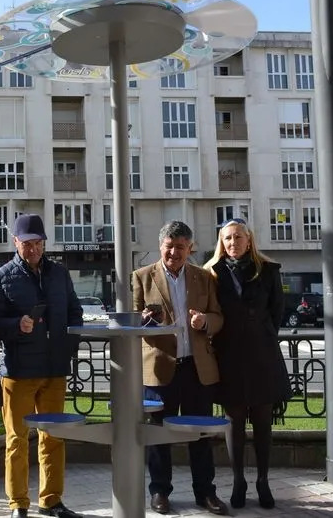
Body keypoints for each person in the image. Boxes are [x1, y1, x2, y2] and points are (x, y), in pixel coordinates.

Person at [0, 214, 84, 518]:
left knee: (54, 437)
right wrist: (16, 325)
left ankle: (51, 501)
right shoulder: (0, 277)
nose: (34, 249)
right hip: (19, 372)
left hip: (54, 369)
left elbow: (75, 312)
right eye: (28, 244)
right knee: (16, 440)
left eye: (39, 243)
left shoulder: (60, 274)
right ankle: (18, 505)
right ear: (16, 242)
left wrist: (69, 346)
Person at [131, 221, 227, 516]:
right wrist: (144, 319)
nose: (174, 252)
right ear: (161, 246)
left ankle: (206, 493)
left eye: (180, 247)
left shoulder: (203, 277)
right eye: (169, 246)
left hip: (197, 369)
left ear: (190, 248)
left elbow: (218, 316)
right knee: (158, 434)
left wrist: (205, 322)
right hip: (159, 369)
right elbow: (131, 320)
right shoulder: (141, 277)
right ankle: (160, 491)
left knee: (200, 433)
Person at [203, 218, 290, 510]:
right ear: (221, 242)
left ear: (249, 240)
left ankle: (263, 481)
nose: (232, 243)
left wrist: (260, 336)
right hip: (228, 357)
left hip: (262, 355)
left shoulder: (269, 271)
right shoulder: (212, 273)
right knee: (234, 422)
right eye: (227, 238)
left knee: (263, 421)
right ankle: (238, 480)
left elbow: (277, 313)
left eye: (237, 237)